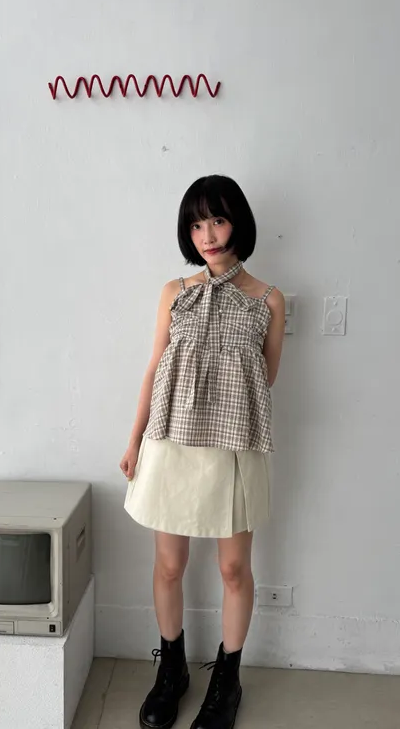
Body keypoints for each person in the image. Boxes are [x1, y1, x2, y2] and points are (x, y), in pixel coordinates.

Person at [120, 174, 285, 729]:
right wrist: (134, 439)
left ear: (238, 223)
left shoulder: (268, 299)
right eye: (195, 225)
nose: (207, 235)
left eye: (217, 220)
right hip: (171, 442)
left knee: (234, 568)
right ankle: (172, 671)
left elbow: (266, 380)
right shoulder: (175, 292)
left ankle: (227, 681)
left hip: (235, 448)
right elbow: (154, 368)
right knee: (169, 565)